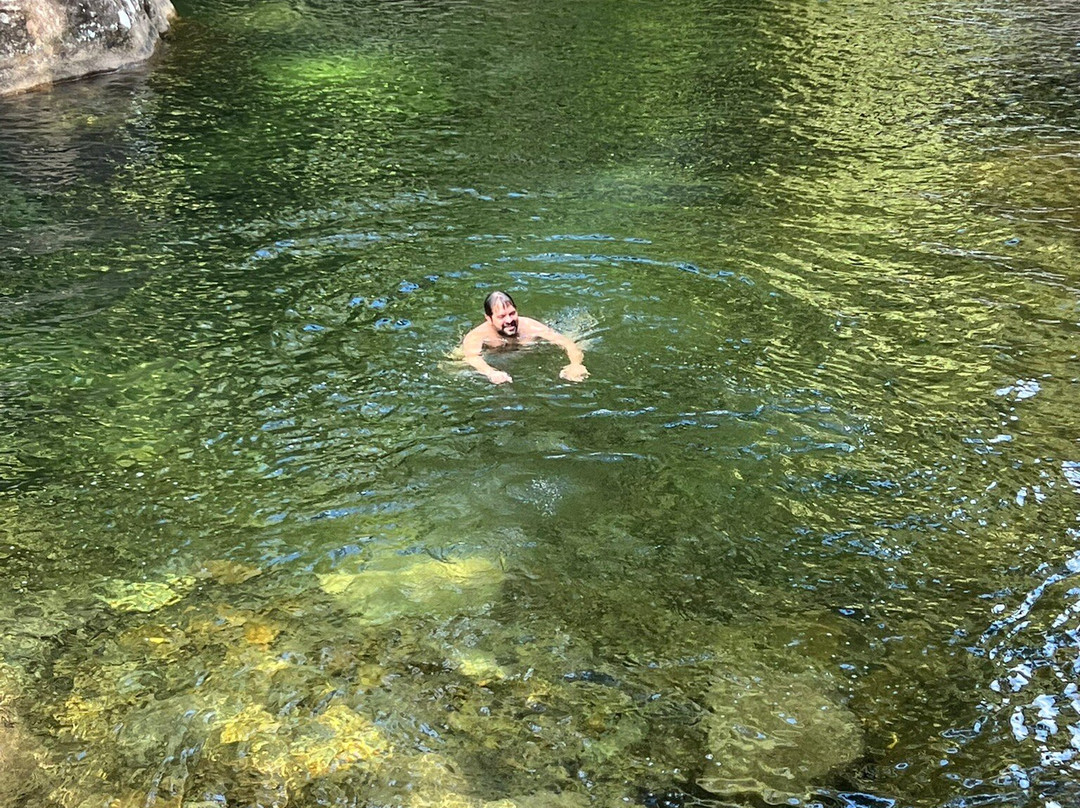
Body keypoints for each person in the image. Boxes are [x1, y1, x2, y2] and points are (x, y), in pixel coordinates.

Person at [461, 291, 589, 385]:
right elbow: (472, 357)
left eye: (512, 313)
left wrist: (576, 364)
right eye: (502, 316)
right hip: (494, 357)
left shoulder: (530, 327)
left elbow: (567, 342)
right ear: (489, 318)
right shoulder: (478, 335)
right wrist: (491, 372)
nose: (509, 320)